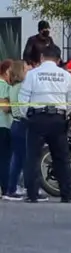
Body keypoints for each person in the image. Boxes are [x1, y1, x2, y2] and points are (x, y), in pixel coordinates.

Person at [19, 43, 71, 203]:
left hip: (37, 119)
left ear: (42, 58)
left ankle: (32, 193)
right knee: (61, 157)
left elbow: (23, 99)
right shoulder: (65, 75)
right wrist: (64, 113)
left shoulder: (33, 74)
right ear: (58, 60)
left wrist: (27, 116)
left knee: (33, 157)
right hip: (58, 120)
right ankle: (66, 193)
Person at [2, 60, 30, 200]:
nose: (28, 70)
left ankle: (11, 188)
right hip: (21, 123)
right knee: (22, 157)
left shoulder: (13, 87)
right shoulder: (21, 87)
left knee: (18, 157)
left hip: (15, 124)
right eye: (25, 68)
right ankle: (15, 188)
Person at [0, 60, 12, 197]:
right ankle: (5, 187)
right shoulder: (3, 86)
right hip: (3, 125)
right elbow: (4, 106)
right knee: (5, 158)